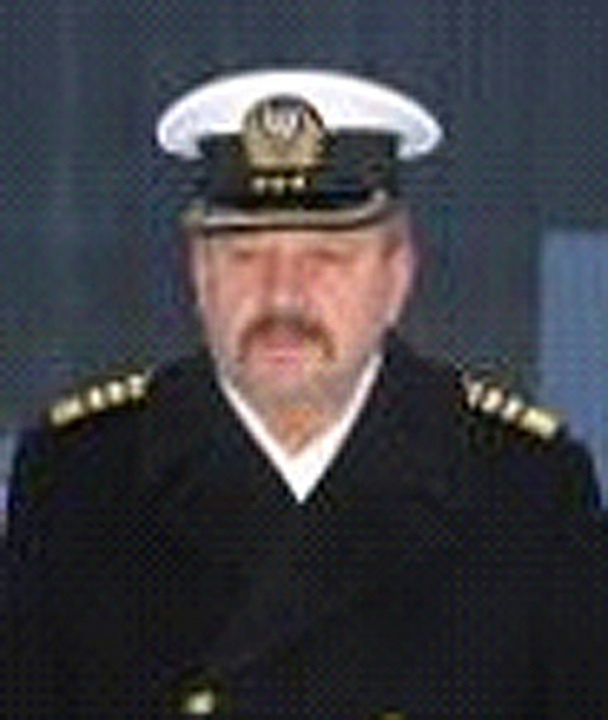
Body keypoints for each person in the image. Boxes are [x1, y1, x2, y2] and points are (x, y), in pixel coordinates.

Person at [5, 69, 606, 717]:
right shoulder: (79, 480)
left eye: (326, 257)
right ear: (199, 273)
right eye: (245, 256)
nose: (283, 295)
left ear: (397, 274)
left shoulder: (527, 492)